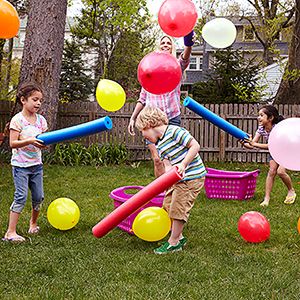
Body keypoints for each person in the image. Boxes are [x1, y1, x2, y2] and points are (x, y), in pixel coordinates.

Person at [135, 106, 206, 254]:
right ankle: (178, 237)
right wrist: (163, 177)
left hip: (192, 177)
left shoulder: (175, 131)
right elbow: (167, 166)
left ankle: (173, 242)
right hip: (177, 179)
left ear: (149, 124)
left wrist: (183, 164)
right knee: (167, 205)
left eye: (142, 132)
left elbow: (195, 146)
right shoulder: (160, 144)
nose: (143, 137)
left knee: (178, 208)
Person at [128, 31, 195, 177]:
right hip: (151, 120)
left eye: (169, 43)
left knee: (170, 158)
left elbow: (185, 58)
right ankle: (158, 193)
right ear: (159, 46)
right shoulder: (150, 69)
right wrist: (133, 118)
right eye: (163, 43)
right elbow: (142, 98)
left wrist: (188, 44)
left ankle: (170, 191)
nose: (166, 45)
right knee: (157, 159)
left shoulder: (176, 66)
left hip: (171, 118)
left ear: (172, 48)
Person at [3, 82, 48, 242]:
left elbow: (42, 143)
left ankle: (33, 224)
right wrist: (29, 140)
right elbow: (12, 143)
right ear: (23, 100)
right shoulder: (18, 120)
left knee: (38, 196)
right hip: (21, 166)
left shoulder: (41, 121)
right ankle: (10, 232)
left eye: (40, 100)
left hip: (36, 165)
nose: (38, 103)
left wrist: (43, 143)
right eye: (35, 99)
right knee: (21, 196)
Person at [242, 105, 296, 207]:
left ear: (270, 118)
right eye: (259, 115)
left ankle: (291, 190)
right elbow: (252, 145)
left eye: (262, 115)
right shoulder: (261, 129)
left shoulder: (278, 128)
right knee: (271, 171)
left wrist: (254, 144)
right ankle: (266, 199)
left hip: (287, 151)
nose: (259, 118)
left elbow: (272, 144)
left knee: (280, 172)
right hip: (274, 152)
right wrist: (244, 143)